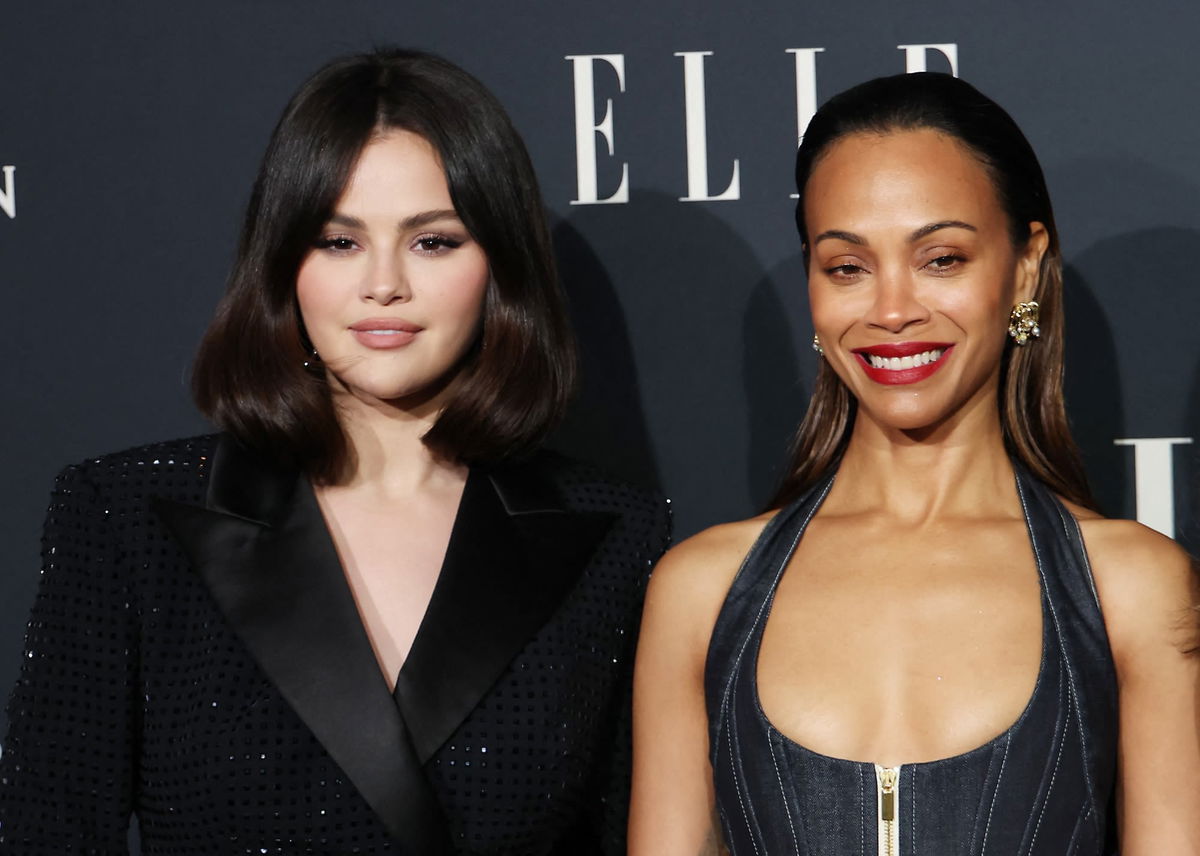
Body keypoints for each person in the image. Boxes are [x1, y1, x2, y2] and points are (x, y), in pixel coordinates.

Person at [0, 48, 668, 855]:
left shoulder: (615, 538)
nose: (383, 284)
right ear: (283, 263)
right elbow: (50, 828)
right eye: (338, 242)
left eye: (434, 242)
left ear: (500, 268)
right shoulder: (124, 518)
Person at [629, 72, 1199, 855]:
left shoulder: (1128, 589)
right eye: (847, 267)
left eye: (941, 259)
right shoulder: (700, 593)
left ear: (1025, 266)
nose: (892, 310)